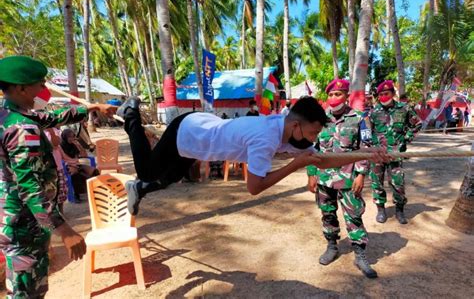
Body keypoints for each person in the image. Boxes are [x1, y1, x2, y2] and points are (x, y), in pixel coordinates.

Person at [116, 96, 389, 216]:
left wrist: (366, 155)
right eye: (312, 133)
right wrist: (295, 164)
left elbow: (322, 159)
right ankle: (131, 115)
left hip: (201, 136)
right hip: (188, 132)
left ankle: (138, 189)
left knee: (171, 178)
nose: (313, 140)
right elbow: (254, 188)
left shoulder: (289, 132)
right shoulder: (265, 139)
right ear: (296, 126)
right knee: (148, 171)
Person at [0, 56, 116, 298]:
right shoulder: (22, 129)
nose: (43, 90)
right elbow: (30, 187)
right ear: (20, 88)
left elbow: (51, 118)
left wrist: (92, 108)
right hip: (25, 227)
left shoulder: (10, 116)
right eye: (39, 84)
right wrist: (65, 230)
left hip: (17, 221)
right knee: (26, 292)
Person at [306, 79, 376, 278]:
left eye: (338, 94)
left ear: (346, 96)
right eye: (331, 94)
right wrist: (311, 174)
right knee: (327, 213)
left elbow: (366, 148)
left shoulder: (360, 118)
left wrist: (361, 174)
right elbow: (312, 149)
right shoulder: (319, 119)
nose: (334, 98)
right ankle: (331, 246)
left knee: (354, 215)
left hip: (348, 177)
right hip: (324, 178)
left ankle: (360, 254)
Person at [369, 80, 422, 224]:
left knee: (398, 183)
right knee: (377, 182)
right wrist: (370, 147)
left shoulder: (404, 108)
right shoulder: (374, 111)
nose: (383, 97)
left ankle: (399, 209)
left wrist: (405, 139)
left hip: (395, 153)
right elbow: (367, 131)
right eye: (380, 95)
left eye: (386, 93)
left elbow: (417, 124)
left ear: (393, 94)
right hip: (377, 154)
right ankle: (381, 209)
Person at [60, 128, 100, 202]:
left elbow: (83, 155)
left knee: (95, 171)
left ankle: (95, 191)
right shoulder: (61, 146)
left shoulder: (73, 145)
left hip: (76, 164)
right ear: (65, 137)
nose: (72, 138)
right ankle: (76, 194)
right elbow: (62, 159)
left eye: (73, 136)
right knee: (75, 174)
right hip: (67, 165)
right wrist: (72, 163)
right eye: (70, 137)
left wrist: (78, 145)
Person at [44, 128, 68, 215]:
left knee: (61, 190)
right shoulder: (36, 130)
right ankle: (52, 212)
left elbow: (55, 144)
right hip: (46, 168)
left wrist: (51, 132)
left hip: (58, 167)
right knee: (49, 191)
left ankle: (61, 212)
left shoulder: (55, 131)